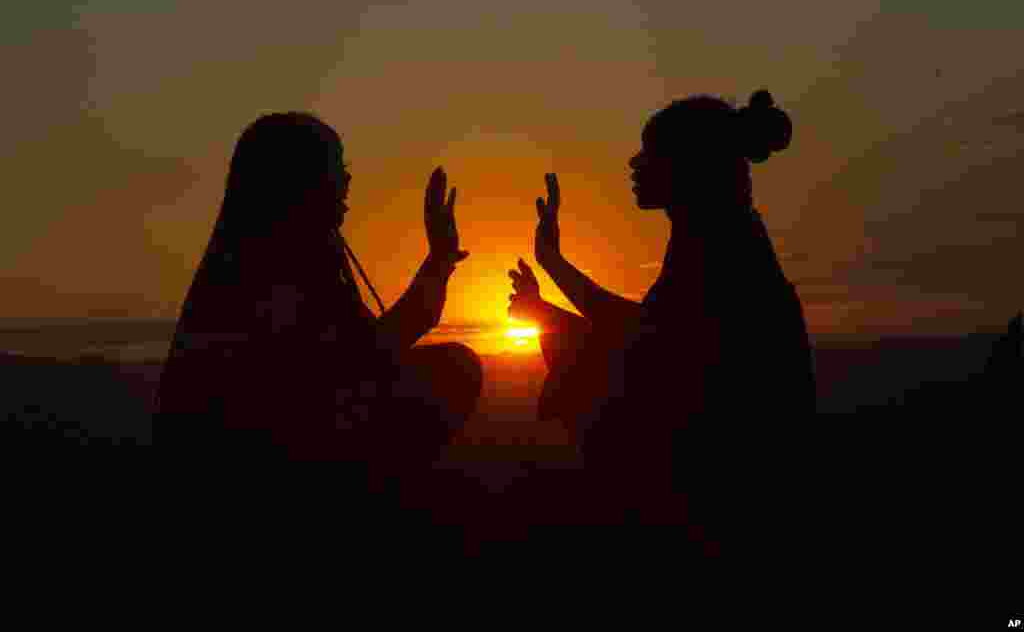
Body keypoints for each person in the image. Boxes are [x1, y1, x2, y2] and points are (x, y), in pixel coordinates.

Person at [506, 90, 815, 556]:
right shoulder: (719, 232)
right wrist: (547, 299)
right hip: (742, 446)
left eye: (651, 155)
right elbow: (652, 332)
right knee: (571, 345)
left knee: (577, 361)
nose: (635, 165)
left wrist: (551, 271)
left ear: (688, 167)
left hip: (734, 466)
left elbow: (642, 336)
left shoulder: (718, 243)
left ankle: (631, 519)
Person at [154, 112, 483, 468]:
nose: (346, 178)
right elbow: (367, 355)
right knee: (455, 369)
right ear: (296, 178)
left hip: (272, 441)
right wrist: (437, 261)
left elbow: (367, 352)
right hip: (248, 456)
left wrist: (439, 259)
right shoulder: (273, 258)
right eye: (335, 166)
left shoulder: (291, 248)